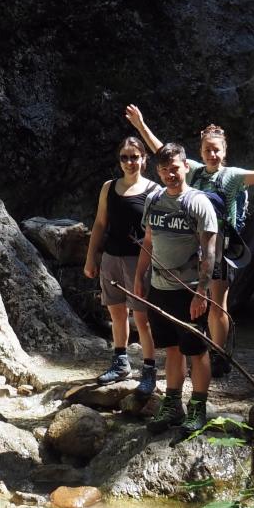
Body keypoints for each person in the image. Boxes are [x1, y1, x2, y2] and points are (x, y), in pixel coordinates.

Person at [126, 105, 254, 366]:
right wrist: (140, 125)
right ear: (200, 152)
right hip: (193, 247)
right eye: (207, 150)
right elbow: (162, 152)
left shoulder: (233, 176)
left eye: (217, 150)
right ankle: (196, 350)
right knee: (192, 300)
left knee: (217, 304)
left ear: (224, 151)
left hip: (222, 248)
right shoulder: (191, 170)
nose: (212, 154)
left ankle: (218, 354)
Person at [135, 143, 219, 433]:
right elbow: (148, 242)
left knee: (196, 350)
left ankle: (198, 407)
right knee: (171, 349)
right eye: (164, 169)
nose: (170, 174)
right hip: (159, 288)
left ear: (186, 166)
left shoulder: (199, 203)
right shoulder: (154, 200)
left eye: (175, 168)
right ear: (157, 171)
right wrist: (139, 278)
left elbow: (209, 252)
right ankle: (172, 405)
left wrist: (202, 292)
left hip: (189, 289)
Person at [83, 136, 160, 391]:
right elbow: (100, 224)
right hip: (111, 258)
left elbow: (155, 234)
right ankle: (120, 362)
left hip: (139, 261)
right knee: (116, 313)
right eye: (124, 157)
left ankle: (149, 369)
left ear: (144, 159)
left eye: (134, 157)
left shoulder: (153, 191)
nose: (129, 162)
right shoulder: (109, 187)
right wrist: (91, 257)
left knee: (142, 317)